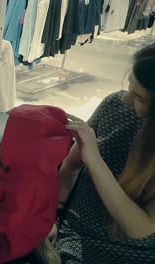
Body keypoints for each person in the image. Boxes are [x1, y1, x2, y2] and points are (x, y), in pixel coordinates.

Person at [53, 43, 155, 263]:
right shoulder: (114, 107)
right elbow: (70, 167)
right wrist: (53, 216)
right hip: (78, 236)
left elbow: (142, 230)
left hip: (135, 253)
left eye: (138, 97)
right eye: (129, 87)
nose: (125, 99)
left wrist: (95, 161)